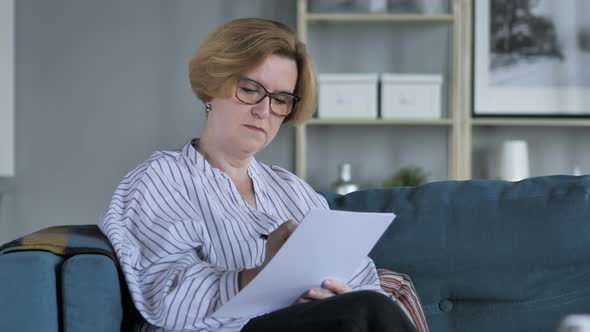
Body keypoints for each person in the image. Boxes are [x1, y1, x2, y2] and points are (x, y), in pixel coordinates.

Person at [99, 18, 416, 332]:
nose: (263, 111)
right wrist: (260, 275)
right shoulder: (159, 180)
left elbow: (366, 288)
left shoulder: (293, 191)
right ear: (211, 89)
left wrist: (337, 298)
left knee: (364, 308)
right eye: (250, 90)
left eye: (280, 100)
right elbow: (165, 300)